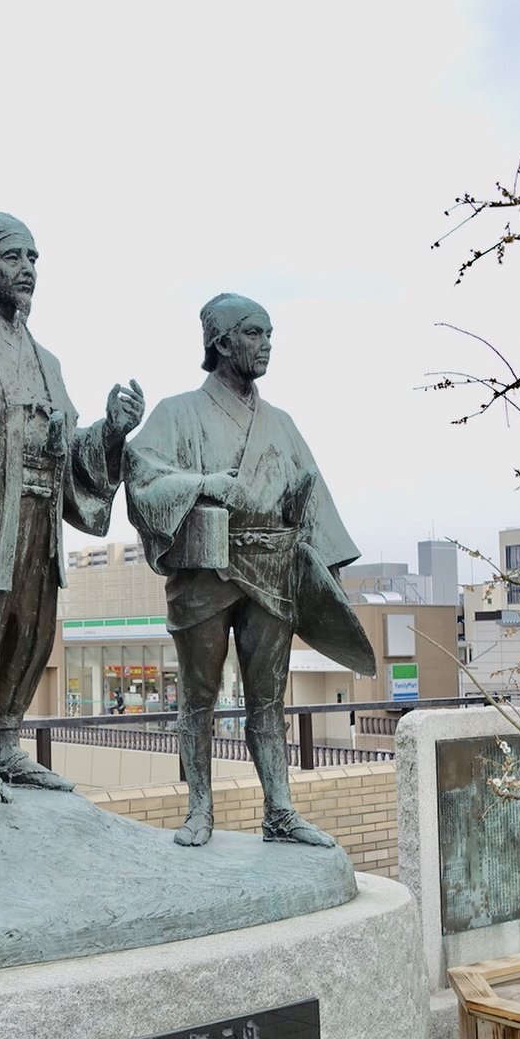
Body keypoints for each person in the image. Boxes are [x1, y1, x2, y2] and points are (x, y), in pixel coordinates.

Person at [0, 213, 144, 799]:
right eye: (15, 258)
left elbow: (73, 445)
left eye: (34, 259)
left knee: (31, 628)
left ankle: (6, 745)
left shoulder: (47, 361)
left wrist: (110, 432)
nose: (28, 271)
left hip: (37, 514)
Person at [125, 294, 376, 848]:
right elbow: (141, 477)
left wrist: (329, 580)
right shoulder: (175, 412)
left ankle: (280, 810)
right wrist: (204, 483)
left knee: (269, 699)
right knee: (198, 696)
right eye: (255, 334)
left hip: (271, 569)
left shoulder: (281, 424)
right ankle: (199, 810)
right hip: (204, 571)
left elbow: (312, 501)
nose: (266, 344)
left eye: (269, 334)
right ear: (221, 342)